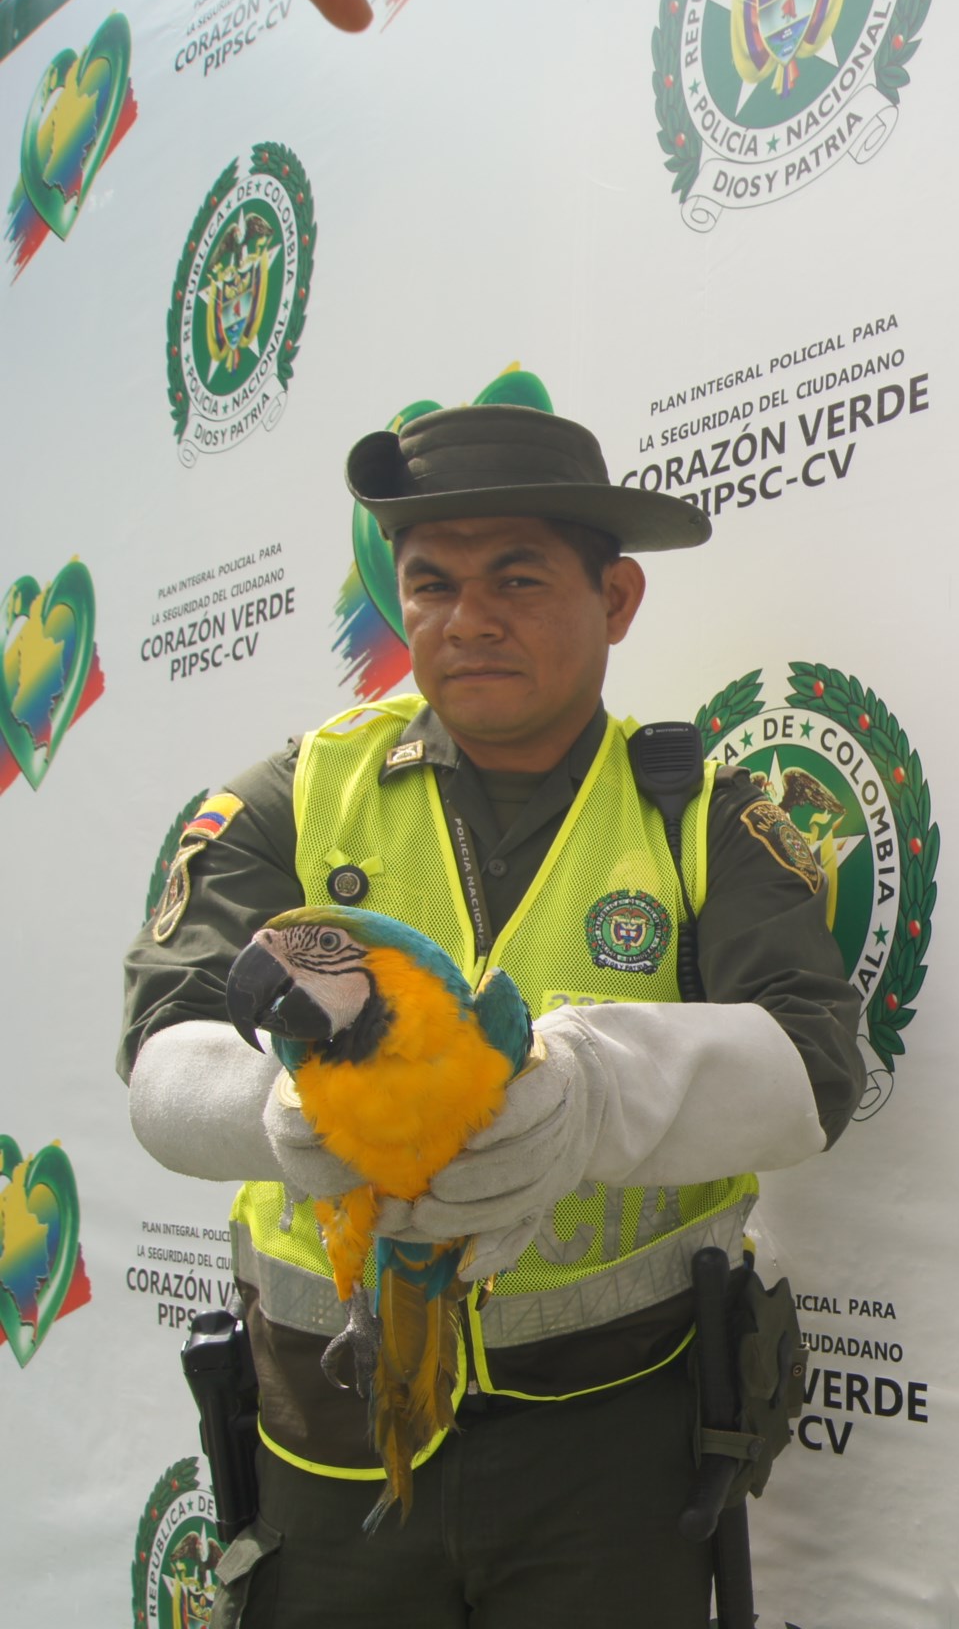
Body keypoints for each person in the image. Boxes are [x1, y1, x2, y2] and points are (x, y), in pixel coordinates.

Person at [120, 404, 865, 1626]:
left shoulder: (704, 815)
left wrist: (592, 1097)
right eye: (431, 585)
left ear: (617, 599)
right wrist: (287, 1112)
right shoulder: (293, 797)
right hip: (328, 1431)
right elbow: (162, 1051)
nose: (468, 619)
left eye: (516, 578)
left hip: (613, 1442)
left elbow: (818, 1069)